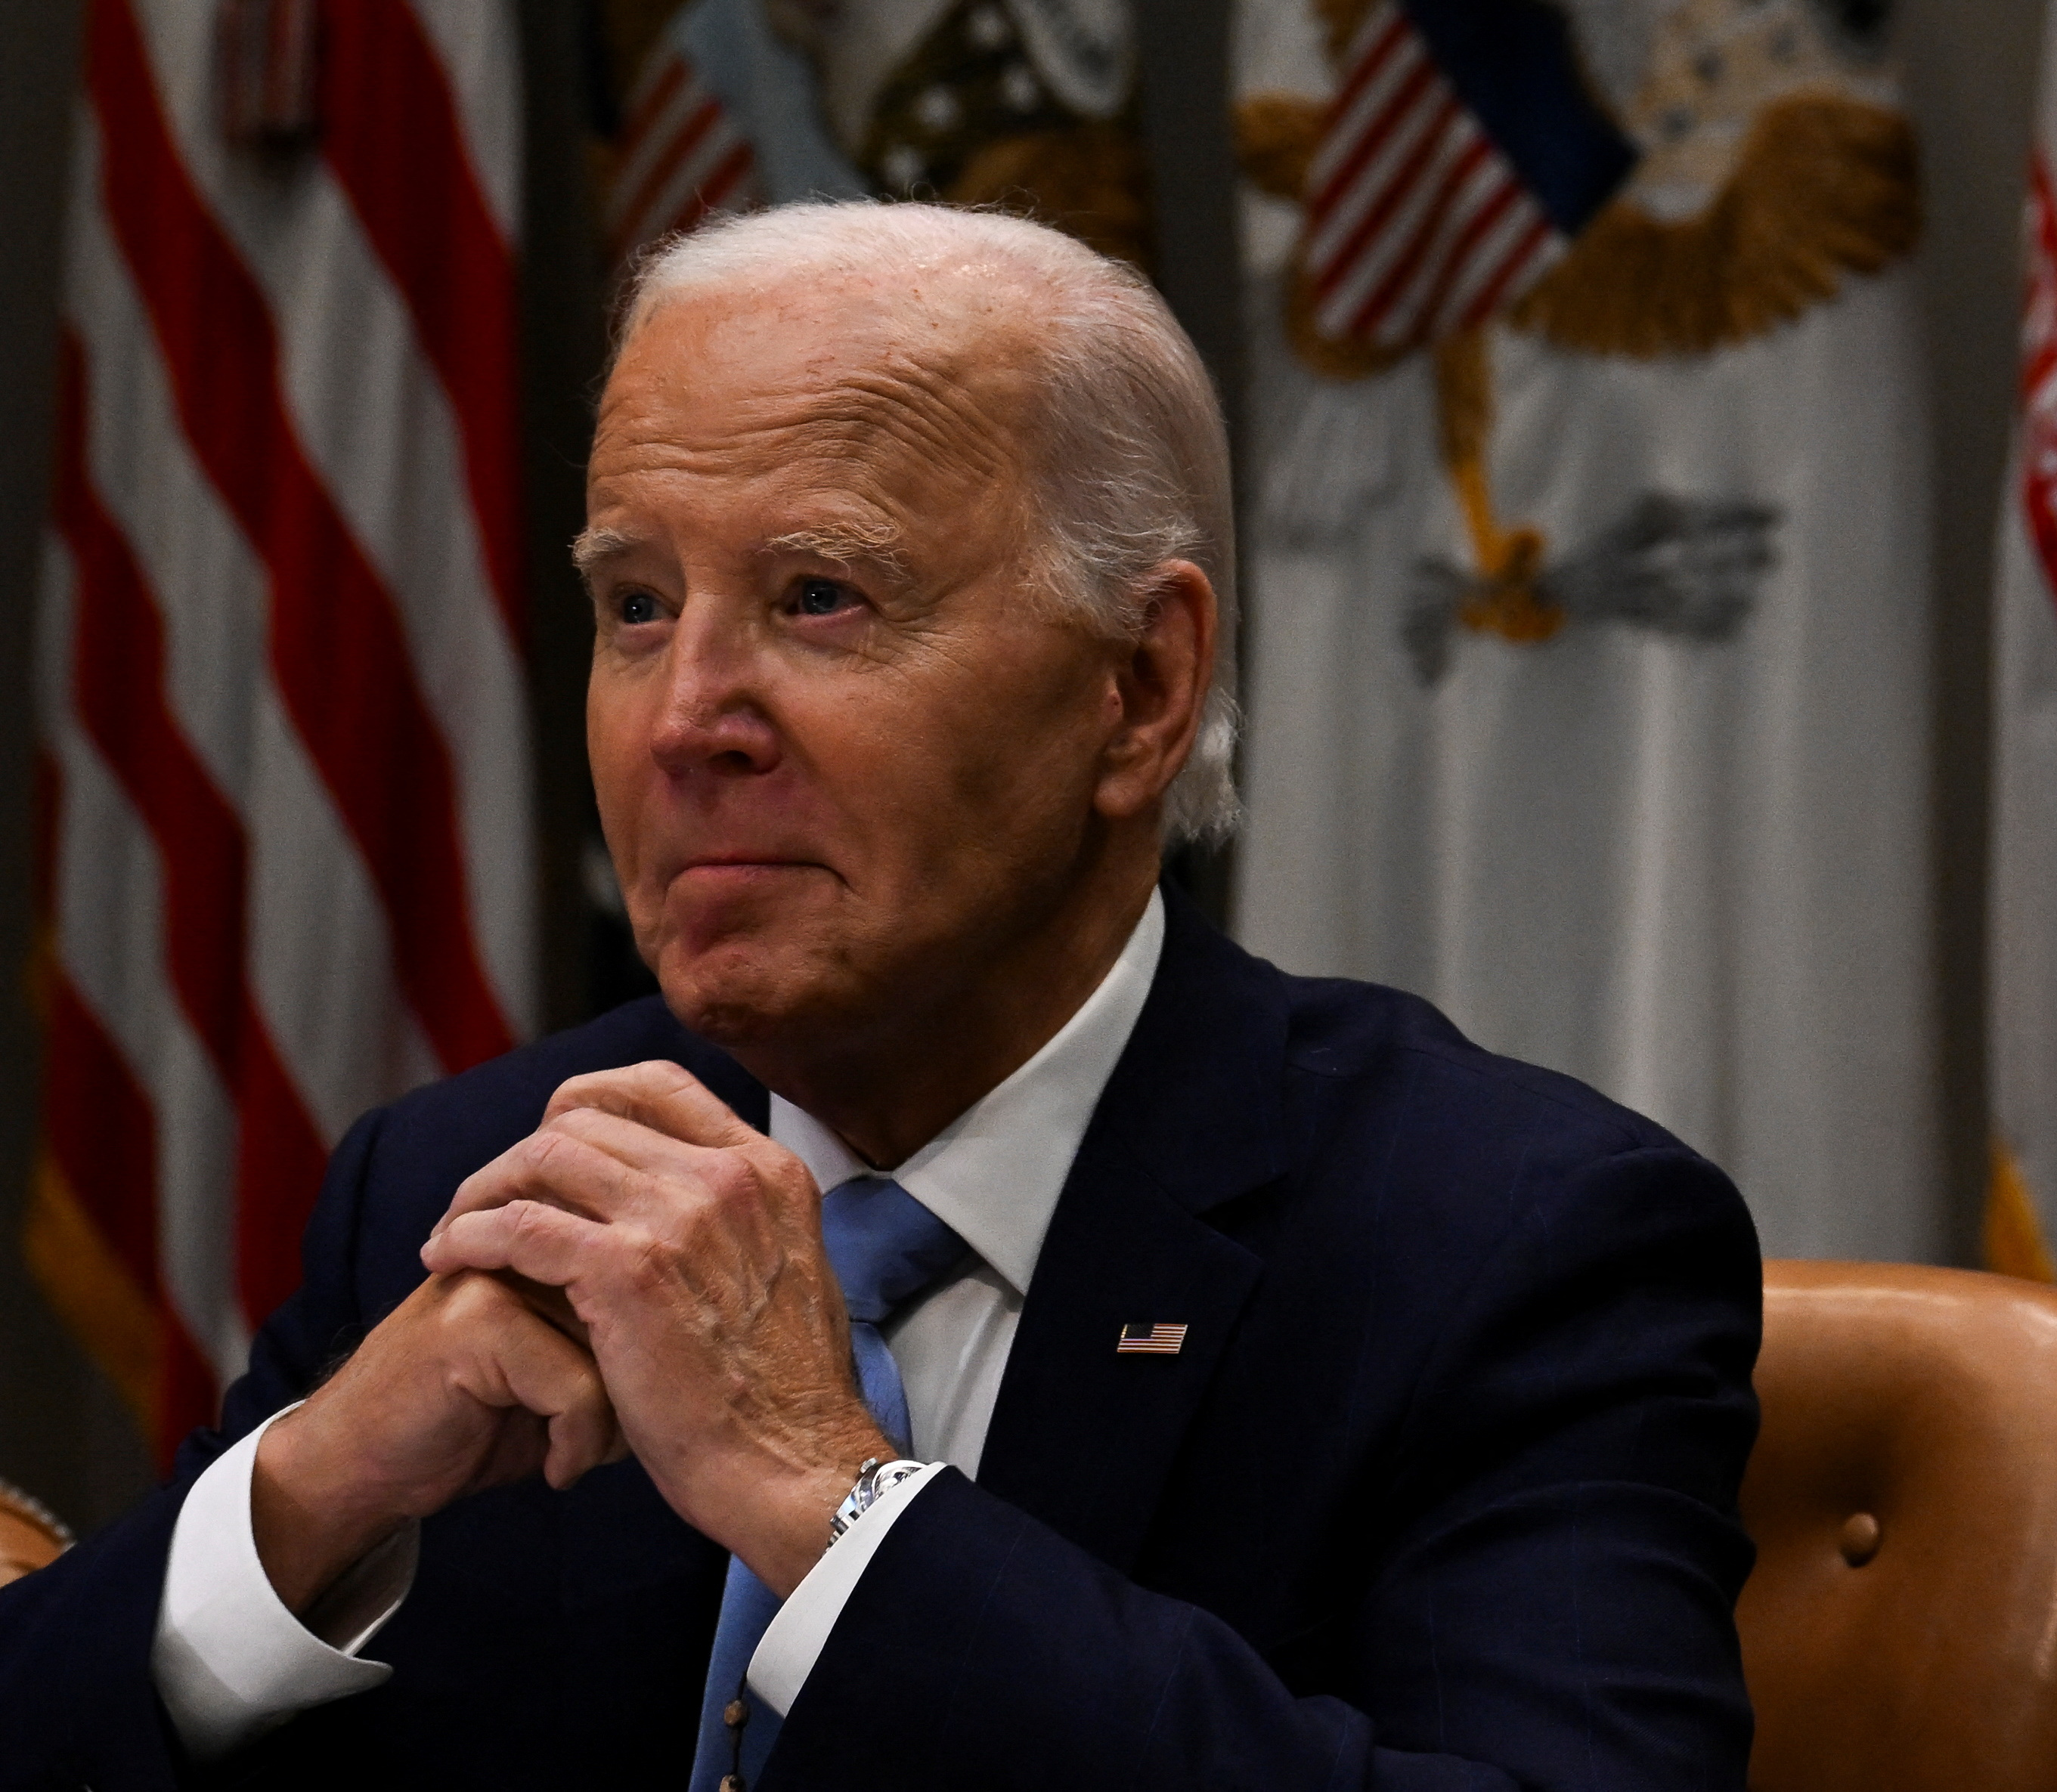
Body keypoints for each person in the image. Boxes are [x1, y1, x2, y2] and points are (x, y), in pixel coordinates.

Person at [0, 203, 1763, 1790]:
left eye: (819, 598)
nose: (686, 715)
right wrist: (309, 1501)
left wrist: (828, 1506)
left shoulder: (1506, 1240)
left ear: (1138, 688)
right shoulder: (463, 1180)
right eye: (633, 604)